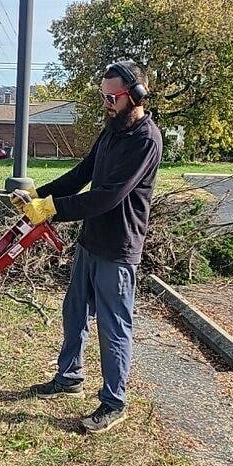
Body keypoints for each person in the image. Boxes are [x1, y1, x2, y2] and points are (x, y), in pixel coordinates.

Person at [12, 60, 163, 434]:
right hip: (91, 242)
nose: (107, 104)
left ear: (136, 96)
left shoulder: (145, 140)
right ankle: (69, 377)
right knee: (74, 311)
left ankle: (114, 402)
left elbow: (107, 196)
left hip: (118, 248)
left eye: (113, 97)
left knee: (113, 327)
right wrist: (37, 195)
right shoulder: (111, 131)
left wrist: (51, 209)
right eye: (103, 96)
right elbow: (81, 175)